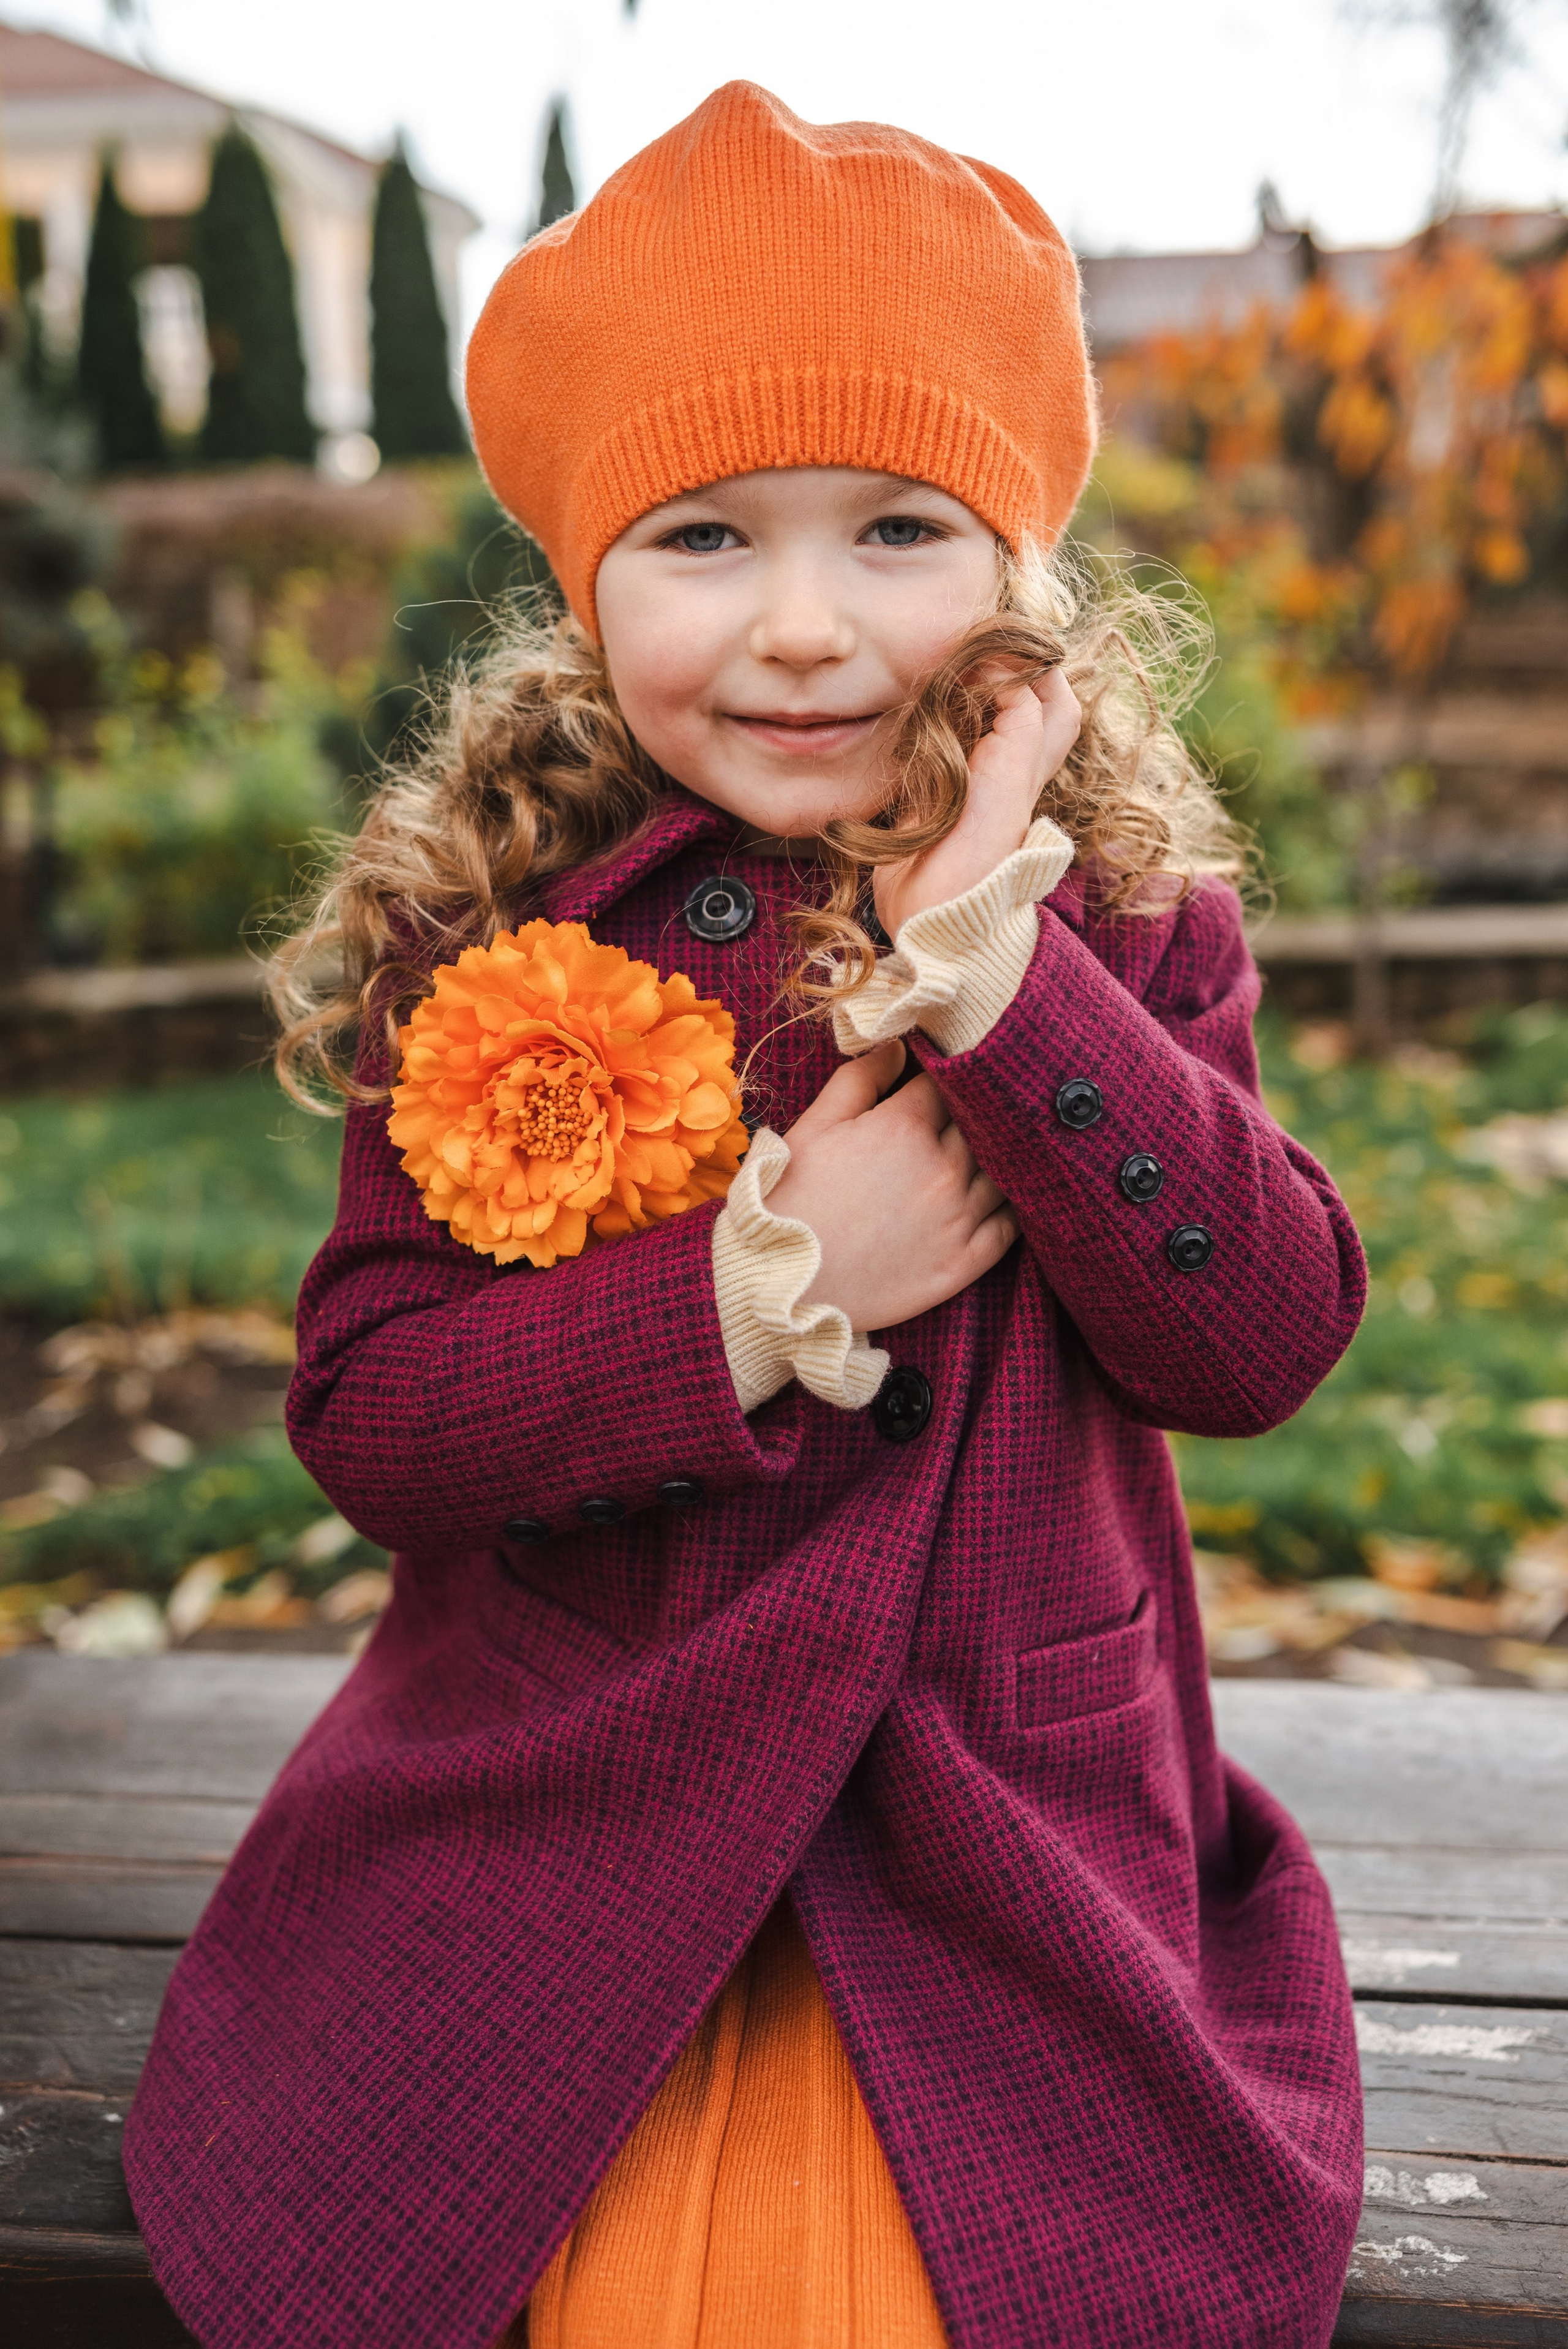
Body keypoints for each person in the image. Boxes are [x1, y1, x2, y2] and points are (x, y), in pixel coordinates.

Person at [124, 82, 1368, 2349]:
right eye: (706, 538)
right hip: (575, 1797)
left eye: (898, 528)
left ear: (1012, 569)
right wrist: (748, 1299)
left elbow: (1261, 1338)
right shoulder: (491, 931)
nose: (803, 631)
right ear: (591, 573)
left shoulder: (1127, 921)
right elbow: (376, 1420)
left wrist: (1010, 979)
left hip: (1000, 1824)